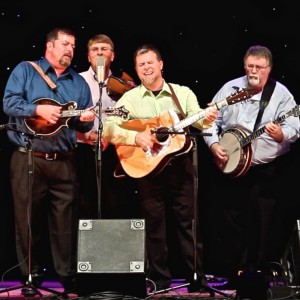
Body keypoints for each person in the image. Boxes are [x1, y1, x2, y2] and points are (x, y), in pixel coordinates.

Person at [103, 43, 219, 292]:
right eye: (141, 64)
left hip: (181, 167)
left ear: (161, 65)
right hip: (148, 169)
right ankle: (158, 280)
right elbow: (109, 127)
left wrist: (207, 118)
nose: (146, 68)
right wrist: (136, 138)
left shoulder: (182, 92)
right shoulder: (130, 99)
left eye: (150, 63)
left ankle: (197, 279)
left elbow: (197, 120)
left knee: (190, 224)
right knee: (153, 226)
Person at [2, 27, 95, 296]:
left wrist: (84, 120)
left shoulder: (78, 82)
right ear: (50, 46)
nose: (70, 49)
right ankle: (29, 278)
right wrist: (36, 109)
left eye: (74, 45)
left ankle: (68, 277)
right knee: (27, 220)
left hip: (65, 161)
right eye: (65, 43)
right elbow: (9, 103)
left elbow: (77, 122)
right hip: (29, 157)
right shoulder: (26, 70)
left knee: (65, 223)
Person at [202, 45, 300, 282]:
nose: (253, 71)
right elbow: (209, 121)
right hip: (230, 169)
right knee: (231, 221)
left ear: (269, 68)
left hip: (264, 171)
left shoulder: (280, 94)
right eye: (250, 66)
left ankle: (259, 272)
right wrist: (214, 145)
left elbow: (295, 125)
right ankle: (236, 270)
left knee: (262, 222)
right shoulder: (230, 88)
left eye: (259, 67)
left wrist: (280, 134)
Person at [77, 34, 138, 219]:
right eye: (95, 50)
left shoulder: (126, 84)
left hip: (115, 152)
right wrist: (85, 136)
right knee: (84, 205)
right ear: (88, 56)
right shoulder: (76, 81)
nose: (100, 53)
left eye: (104, 49)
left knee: (116, 205)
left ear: (112, 56)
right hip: (83, 151)